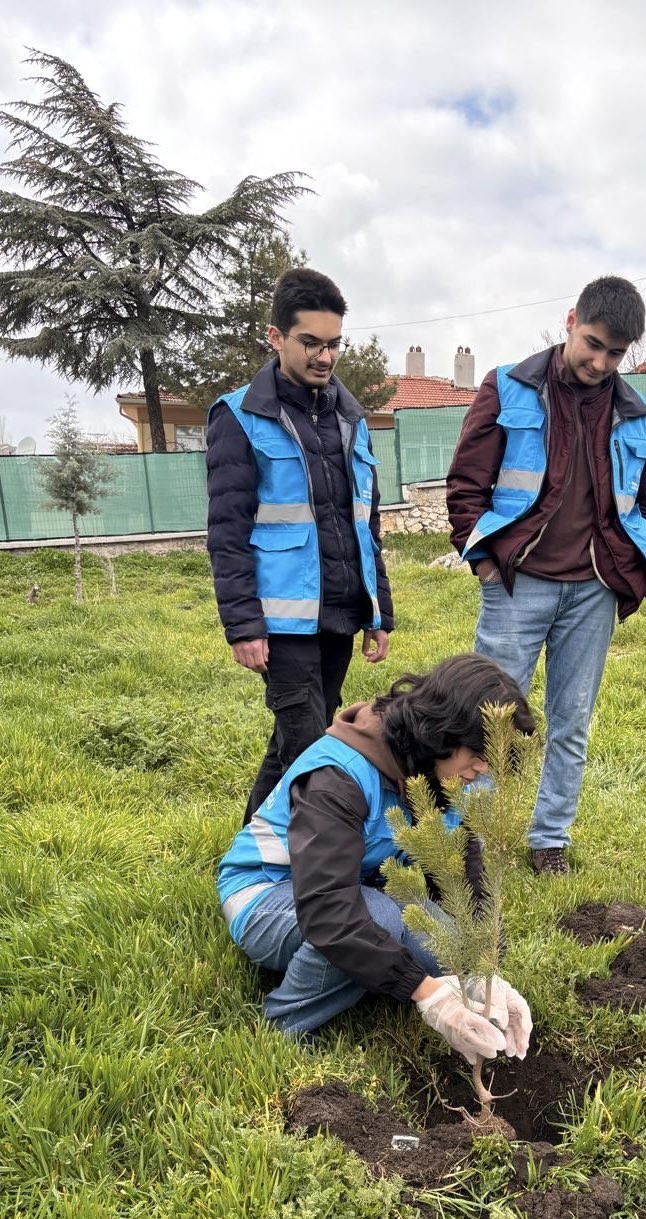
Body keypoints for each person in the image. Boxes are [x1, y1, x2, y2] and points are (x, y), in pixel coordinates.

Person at [446, 276, 646, 876]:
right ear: (571, 320)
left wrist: (630, 562)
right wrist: (485, 560)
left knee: (571, 720)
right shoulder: (508, 387)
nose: (600, 362)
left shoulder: (639, 414)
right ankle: (477, 840)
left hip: (594, 589)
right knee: (488, 718)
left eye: (615, 353)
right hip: (517, 582)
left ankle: (550, 842)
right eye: (593, 343)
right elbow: (467, 482)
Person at [217, 653, 535, 1059]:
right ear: (443, 730)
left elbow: (464, 875)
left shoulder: (447, 772)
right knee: (378, 920)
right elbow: (328, 910)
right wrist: (429, 995)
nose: (484, 768)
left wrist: (485, 975)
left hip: (367, 890)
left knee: (442, 941)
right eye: (478, 751)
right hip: (269, 893)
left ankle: (355, 971)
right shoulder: (339, 777)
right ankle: (287, 1025)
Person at [206, 267, 394, 822]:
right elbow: (227, 532)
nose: (325, 356)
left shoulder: (351, 417)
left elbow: (367, 522)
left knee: (296, 743)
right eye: (310, 342)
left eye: (334, 343)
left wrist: (378, 611)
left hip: (339, 611)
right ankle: (315, 868)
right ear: (276, 337)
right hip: (281, 620)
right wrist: (242, 624)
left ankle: (248, 851)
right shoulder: (240, 417)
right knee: (314, 747)